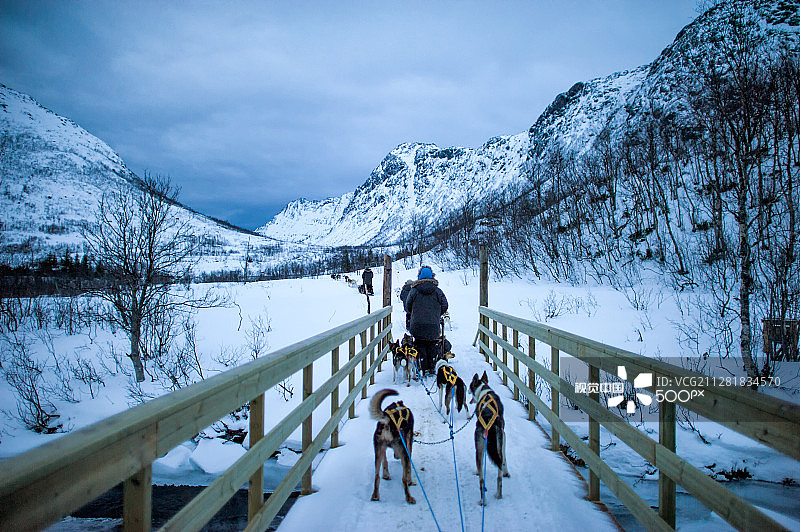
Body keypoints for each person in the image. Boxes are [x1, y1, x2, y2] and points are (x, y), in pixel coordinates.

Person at [404, 266, 448, 375]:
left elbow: (407, 306)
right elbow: (445, 305)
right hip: (433, 324)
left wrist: (413, 314)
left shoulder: (414, 291)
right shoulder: (437, 291)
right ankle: (432, 366)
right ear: (432, 276)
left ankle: (423, 367)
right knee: (432, 344)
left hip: (417, 324)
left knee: (420, 344)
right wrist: (437, 315)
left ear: (419, 276)